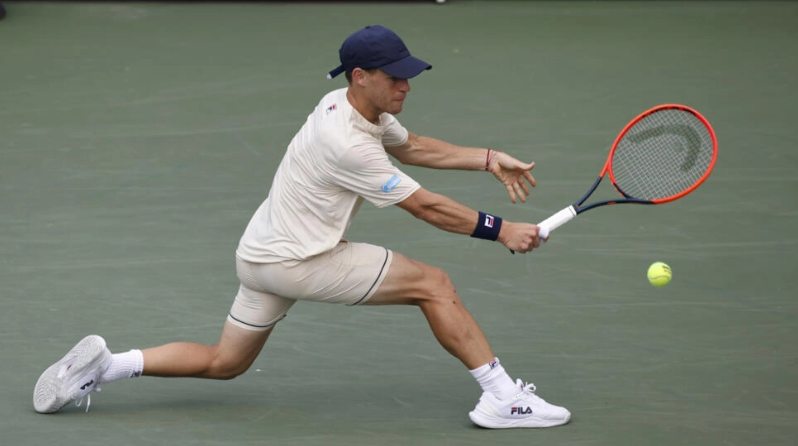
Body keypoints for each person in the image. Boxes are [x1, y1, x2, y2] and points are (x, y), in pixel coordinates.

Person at [33, 25, 570, 429]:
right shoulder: (349, 145)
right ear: (362, 77)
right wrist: (500, 230)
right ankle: (502, 397)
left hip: (260, 255)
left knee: (226, 363)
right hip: (300, 262)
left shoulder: (345, 104)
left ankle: (106, 367)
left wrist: (489, 157)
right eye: (395, 75)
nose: (407, 83)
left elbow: (415, 147)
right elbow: (427, 208)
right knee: (434, 285)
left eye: (408, 72)